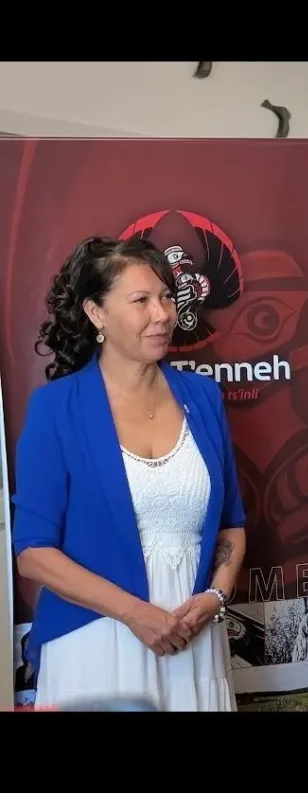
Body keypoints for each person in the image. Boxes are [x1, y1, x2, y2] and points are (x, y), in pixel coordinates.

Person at [12, 235, 246, 712]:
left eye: (164, 297)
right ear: (96, 313)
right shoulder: (58, 408)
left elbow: (231, 524)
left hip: (193, 638)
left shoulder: (202, 398)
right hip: (96, 642)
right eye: (141, 300)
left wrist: (215, 597)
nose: (163, 314)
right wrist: (135, 614)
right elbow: (33, 554)